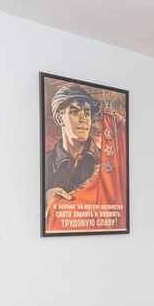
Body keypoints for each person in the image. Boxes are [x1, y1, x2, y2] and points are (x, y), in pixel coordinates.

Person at [43, 84, 102, 214]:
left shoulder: (106, 161)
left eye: (87, 113)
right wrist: (46, 199)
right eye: (74, 112)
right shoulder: (45, 162)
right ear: (60, 119)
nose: (83, 119)